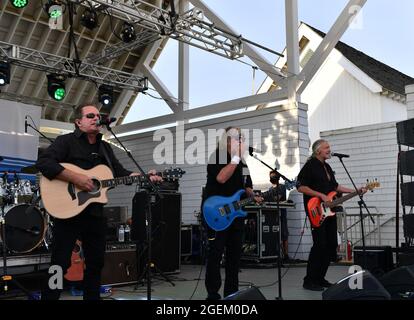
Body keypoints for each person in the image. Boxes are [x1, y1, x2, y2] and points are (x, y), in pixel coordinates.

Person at [36, 103, 161, 300]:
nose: (96, 118)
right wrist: (76, 178)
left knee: (96, 263)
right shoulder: (66, 142)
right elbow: (44, 163)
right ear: (78, 122)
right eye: (91, 116)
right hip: (67, 214)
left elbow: (120, 173)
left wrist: (144, 176)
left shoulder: (105, 148)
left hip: (94, 214)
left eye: (98, 116)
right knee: (59, 263)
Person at [297, 139, 366, 291]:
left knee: (331, 245)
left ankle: (320, 278)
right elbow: (300, 186)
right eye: (326, 147)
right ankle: (309, 280)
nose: (329, 149)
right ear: (318, 151)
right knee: (319, 245)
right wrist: (320, 195)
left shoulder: (327, 166)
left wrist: (355, 190)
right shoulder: (310, 165)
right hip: (316, 210)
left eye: (329, 147)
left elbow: (335, 187)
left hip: (330, 211)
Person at [202, 127, 262, 300]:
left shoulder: (242, 162)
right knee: (215, 253)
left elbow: (246, 185)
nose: (241, 140)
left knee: (234, 255)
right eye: (238, 137)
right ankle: (212, 295)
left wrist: (253, 194)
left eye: (242, 137)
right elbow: (221, 178)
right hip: (217, 213)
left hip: (235, 214)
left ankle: (231, 293)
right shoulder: (217, 156)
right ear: (227, 140)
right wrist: (236, 157)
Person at [266, 170, 290, 261]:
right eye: (271, 176)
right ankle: (277, 254)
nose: (272, 178)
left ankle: (286, 255)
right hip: (273, 214)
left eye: (274, 176)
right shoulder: (269, 189)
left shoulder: (282, 187)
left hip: (282, 214)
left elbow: (277, 198)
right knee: (276, 234)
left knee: (284, 234)